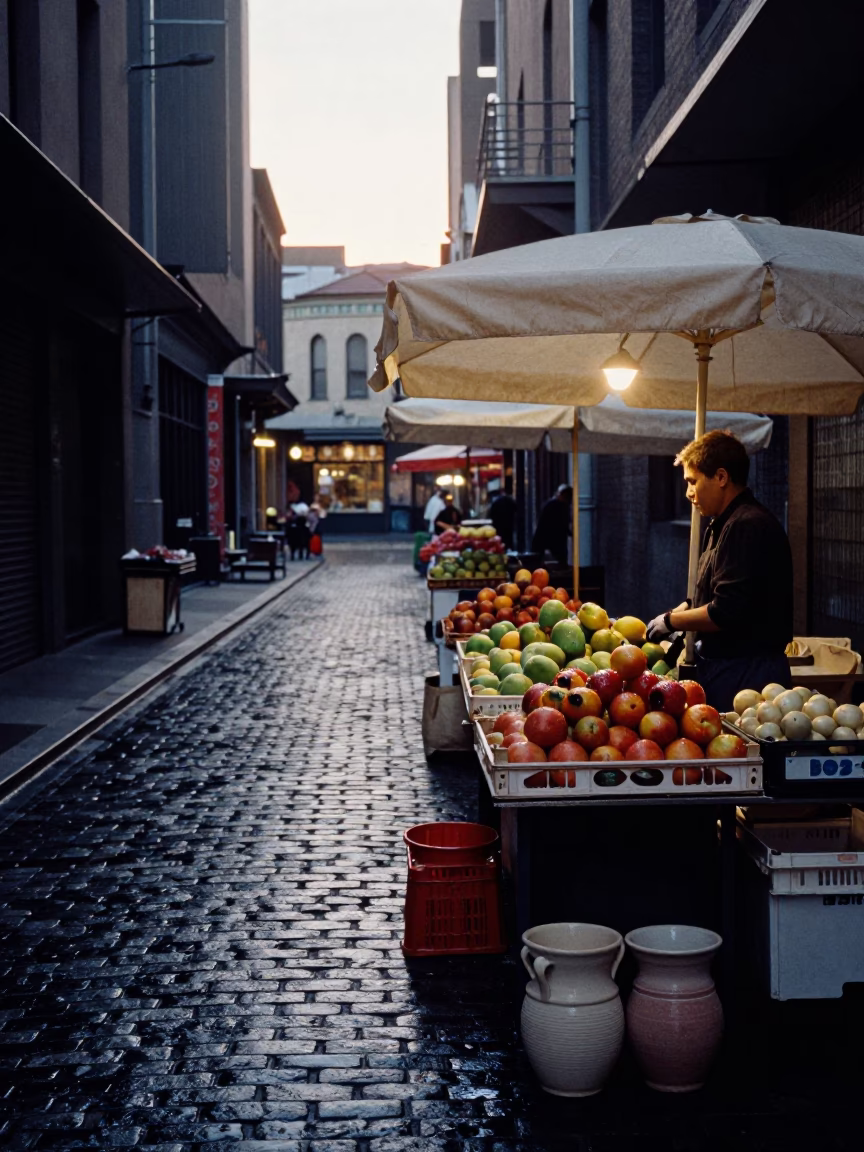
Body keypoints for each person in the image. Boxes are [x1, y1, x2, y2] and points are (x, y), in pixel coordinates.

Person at [646, 430, 793, 713]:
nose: (688, 492)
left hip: (748, 675)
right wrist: (680, 612)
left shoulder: (747, 525)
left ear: (722, 477)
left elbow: (724, 611)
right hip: (726, 669)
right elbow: (708, 596)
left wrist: (672, 621)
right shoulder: (721, 525)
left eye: (693, 481)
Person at [532, 484, 572, 566]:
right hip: (552, 539)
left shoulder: (552, 504)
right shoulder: (558, 506)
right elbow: (561, 524)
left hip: (547, 539)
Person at [488, 479, 517, 549]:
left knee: (500, 540)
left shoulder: (496, 502)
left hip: (499, 525)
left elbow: (491, 514)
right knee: (509, 540)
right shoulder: (510, 501)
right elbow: (516, 511)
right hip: (508, 524)